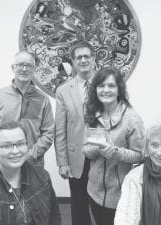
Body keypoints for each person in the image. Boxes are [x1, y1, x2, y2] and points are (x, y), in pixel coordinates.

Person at [83, 67, 145, 225]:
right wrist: (99, 147)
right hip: (94, 190)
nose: (105, 90)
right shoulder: (92, 112)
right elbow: (86, 151)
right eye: (101, 86)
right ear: (95, 89)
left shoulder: (132, 119)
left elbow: (140, 155)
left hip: (119, 195)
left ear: (119, 90)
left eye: (111, 86)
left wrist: (116, 152)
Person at [0, 51, 54, 166]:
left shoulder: (43, 99)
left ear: (34, 70)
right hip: (2, 164)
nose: (24, 69)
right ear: (13, 68)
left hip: (33, 164)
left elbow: (48, 134)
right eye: (20, 64)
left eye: (29, 65)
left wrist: (31, 155)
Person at [54, 40, 95, 225]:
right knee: (79, 207)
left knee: (103, 206)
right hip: (76, 157)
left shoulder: (108, 85)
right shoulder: (63, 91)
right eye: (79, 57)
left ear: (94, 59)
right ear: (73, 61)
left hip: (102, 156)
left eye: (87, 56)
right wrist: (62, 162)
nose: (84, 60)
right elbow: (60, 130)